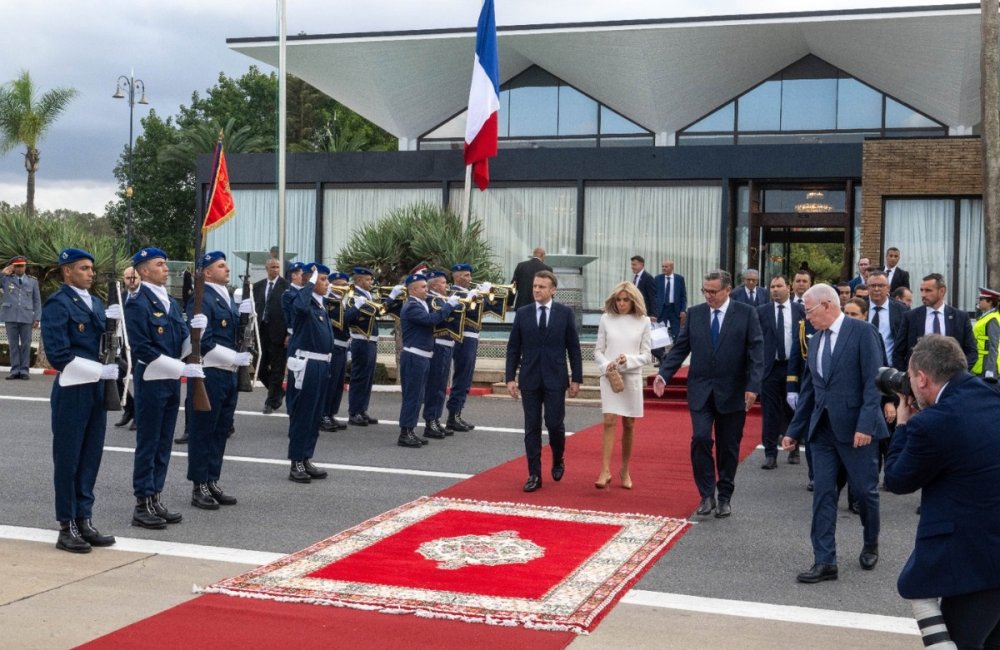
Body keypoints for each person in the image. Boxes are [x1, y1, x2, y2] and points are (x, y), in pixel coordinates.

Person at [884, 335, 1000, 648]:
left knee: (960, 640)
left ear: (922, 378)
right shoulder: (990, 395)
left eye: (908, 378)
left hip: (977, 561)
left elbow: (897, 480)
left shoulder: (935, 423)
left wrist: (904, 423)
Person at [782, 284, 888, 584]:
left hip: (857, 430)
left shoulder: (862, 333)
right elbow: (809, 391)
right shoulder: (815, 341)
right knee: (823, 496)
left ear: (828, 305)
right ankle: (825, 560)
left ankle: (870, 542)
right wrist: (794, 431)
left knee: (865, 493)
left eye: (810, 311)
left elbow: (873, 383)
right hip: (823, 432)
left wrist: (866, 425)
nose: (807, 317)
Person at [653, 269, 764, 518]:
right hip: (701, 390)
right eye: (705, 290)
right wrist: (664, 374)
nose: (708, 296)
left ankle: (724, 496)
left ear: (728, 290)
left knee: (728, 447)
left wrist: (753, 386)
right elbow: (681, 348)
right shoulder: (695, 314)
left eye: (713, 291)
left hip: (733, 392)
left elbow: (757, 353)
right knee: (701, 439)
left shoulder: (746, 314)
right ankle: (706, 495)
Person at [41, 248, 120, 553]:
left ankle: (84, 518)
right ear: (67, 272)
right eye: (84, 268)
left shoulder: (98, 304)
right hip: (73, 390)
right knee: (68, 459)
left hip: (96, 390)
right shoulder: (58, 304)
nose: (90, 273)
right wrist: (100, 370)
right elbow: (59, 355)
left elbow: (106, 346)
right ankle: (67, 524)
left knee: (90, 457)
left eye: (91, 269)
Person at [125, 247, 205, 529]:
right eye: (160, 264)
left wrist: (198, 332)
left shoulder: (170, 301)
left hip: (170, 381)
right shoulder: (138, 302)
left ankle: (156, 497)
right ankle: (142, 502)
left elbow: (182, 344)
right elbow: (142, 348)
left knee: (163, 443)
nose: (166, 268)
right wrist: (181, 369)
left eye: (165, 263)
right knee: (148, 443)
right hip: (152, 380)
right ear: (144, 270)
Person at [505, 270, 583, 492]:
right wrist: (510, 377)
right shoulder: (523, 313)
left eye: (541, 287)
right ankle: (534, 474)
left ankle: (558, 458)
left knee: (554, 423)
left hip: (556, 378)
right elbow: (513, 348)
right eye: (535, 286)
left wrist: (576, 378)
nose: (536, 290)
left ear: (553, 290)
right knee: (532, 427)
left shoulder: (564, 314)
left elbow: (573, 348)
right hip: (529, 378)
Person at [185, 251, 251, 510]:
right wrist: (235, 357)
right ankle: (198, 484)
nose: (227, 269)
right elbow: (206, 340)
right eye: (220, 266)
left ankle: (212, 479)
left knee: (221, 429)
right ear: (207, 272)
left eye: (226, 265)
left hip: (228, 374)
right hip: (210, 372)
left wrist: (246, 314)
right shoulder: (200, 300)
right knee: (204, 431)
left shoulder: (227, 298)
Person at [593, 281, 652, 489]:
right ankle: (604, 470)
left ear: (633, 300)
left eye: (626, 299)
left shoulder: (643, 321)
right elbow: (598, 350)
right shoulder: (606, 319)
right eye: (618, 299)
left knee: (629, 424)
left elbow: (647, 355)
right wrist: (606, 364)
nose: (621, 303)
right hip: (610, 376)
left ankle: (625, 469)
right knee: (609, 420)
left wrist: (628, 359)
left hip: (632, 377)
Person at [398, 274, 459, 448]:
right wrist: (448, 306)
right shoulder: (411, 306)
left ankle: (410, 430)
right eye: (424, 287)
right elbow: (432, 320)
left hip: (423, 356)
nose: (427, 289)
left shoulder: (421, 304)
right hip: (414, 357)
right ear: (413, 290)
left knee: (418, 397)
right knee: (412, 397)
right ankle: (405, 433)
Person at [286, 264, 334, 483]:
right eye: (323, 279)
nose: (327, 283)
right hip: (307, 364)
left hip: (322, 364)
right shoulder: (301, 300)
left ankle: (306, 457)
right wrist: (311, 282)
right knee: (303, 414)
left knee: (315, 415)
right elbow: (300, 308)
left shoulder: (320, 305)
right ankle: (296, 461)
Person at [757, 275, 804, 469]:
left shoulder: (800, 311)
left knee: (793, 408)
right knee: (769, 412)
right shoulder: (761, 312)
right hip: (770, 368)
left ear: (788, 288)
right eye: (772, 286)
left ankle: (793, 448)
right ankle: (770, 453)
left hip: (792, 367)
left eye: (779, 286)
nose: (775, 290)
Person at [893, 273, 976, 372]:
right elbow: (898, 352)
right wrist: (909, 376)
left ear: (942, 291)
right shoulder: (910, 317)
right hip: (919, 380)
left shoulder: (960, 318)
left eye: (928, 290)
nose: (923, 295)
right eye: (921, 290)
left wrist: (958, 373)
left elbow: (972, 352)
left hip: (951, 379)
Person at [445, 263, 493, 432]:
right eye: (465, 275)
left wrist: (486, 294)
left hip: (472, 338)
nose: (469, 279)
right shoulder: (454, 294)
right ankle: (452, 416)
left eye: (469, 275)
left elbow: (485, 308)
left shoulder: (468, 293)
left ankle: (458, 413)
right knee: (461, 377)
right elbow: (470, 311)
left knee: (466, 378)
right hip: (462, 338)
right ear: (456, 276)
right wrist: (480, 294)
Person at [422, 271, 460, 439]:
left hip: (447, 344)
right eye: (444, 283)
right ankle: (430, 421)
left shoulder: (442, 299)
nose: (447, 286)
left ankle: (436, 419)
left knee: (441, 386)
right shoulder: (431, 299)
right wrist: (450, 305)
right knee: (435, 385)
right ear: (435, 285)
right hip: (438, 345)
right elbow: (438, 317)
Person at [319, 272, 356, 432]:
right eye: (340, 284)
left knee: (339, 384)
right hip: (333, 345)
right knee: (330, 382)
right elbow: (342, 320)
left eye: (345, 284)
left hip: (343, 345)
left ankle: (331, 413)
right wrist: (357, 308)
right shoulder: (329, 302)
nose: (344, 287)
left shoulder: (344, 300)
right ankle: (323, 415)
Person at [253, 257, 289, 414]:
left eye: (277, 267)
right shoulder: (258, 286)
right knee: (259, 367)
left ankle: (271, 401)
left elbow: (290, 312)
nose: (275, 270)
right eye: (273, 267)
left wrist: (289, 333)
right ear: (266, 268)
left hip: (279, 333)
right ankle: (278, 392)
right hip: (262, 331)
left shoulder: (286, 287)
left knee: (277, 369)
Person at [346, 266, 381, 426]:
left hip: (371, 340)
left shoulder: (367, 295)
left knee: (368, 378)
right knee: (359, 377)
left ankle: (362, 409)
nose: (370, 282)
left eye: (370, 279)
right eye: (367, 279)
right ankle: (354, 412)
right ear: (359, 280)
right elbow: (370, 312)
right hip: (361, 339)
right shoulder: (355, 296)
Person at [2, 255, 41, 380]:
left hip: (26, 317)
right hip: (10, 316)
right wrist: (3, 271)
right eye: (17, 266)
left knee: (26, 345)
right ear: (13, 267)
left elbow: (37, 301)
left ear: (25, 267)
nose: (20, 268)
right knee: (13, 345)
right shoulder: (6, 279)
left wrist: (37, 318)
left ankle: (24, 371)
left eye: (22, 266)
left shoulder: (32, 281)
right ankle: (14, 370)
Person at [113, 266, 141, 430]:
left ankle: (139, 415)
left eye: (134, 277)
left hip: (139, 346)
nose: (131, 280)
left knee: (139, 381)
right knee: (114, 376)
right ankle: (129, 408)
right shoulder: (120, 297)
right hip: (122, 345)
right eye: (127, 278)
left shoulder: (144, 297)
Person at [972, 287, 1000, 387]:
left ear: (990, 302)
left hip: (986, 365)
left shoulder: (992, 319)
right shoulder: (985, 316)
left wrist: (990, 370)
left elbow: (994, 345)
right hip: (979, 364)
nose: (978, 301)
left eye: (981, 299)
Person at [653, 259, 687, 338]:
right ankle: (660, 350)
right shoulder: (658, 278)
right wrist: (654, 310)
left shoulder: (679, 279)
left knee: (676, 332)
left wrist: (683, 310)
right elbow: (654, 295)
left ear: (672, 267)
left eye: (666, 267)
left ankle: (677, 349)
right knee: (660, 332)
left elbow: (683, 296)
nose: (663, 268)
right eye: (663, 266)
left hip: (674, 309)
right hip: (662, 309)